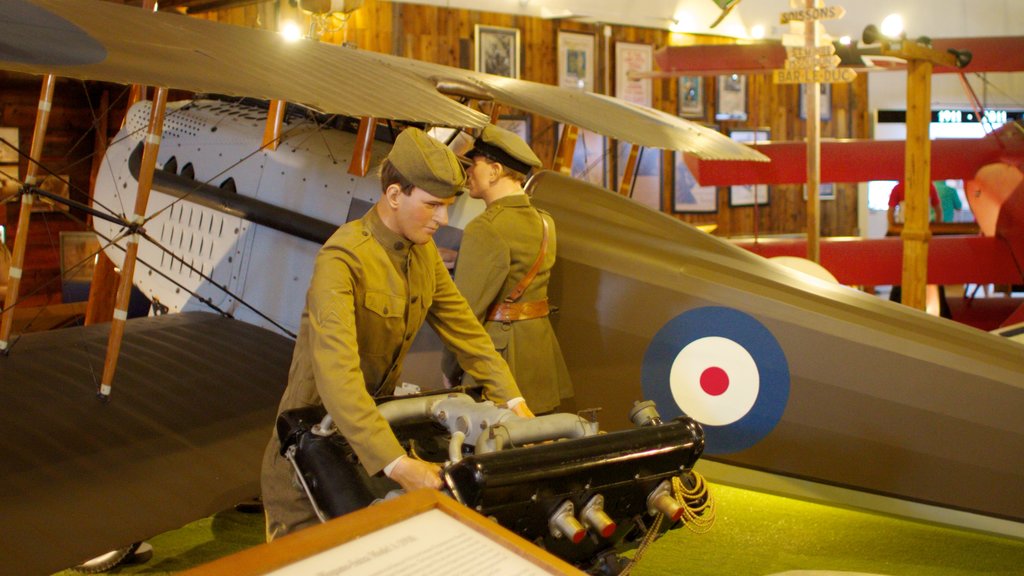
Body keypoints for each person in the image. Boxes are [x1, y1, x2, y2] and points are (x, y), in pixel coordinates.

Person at [260, 127, 534, 541]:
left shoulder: (422, 255)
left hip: (369, 442)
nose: (443, 220)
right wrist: (397, 464)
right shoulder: (343, 258)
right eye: (432, 206)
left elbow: (466, 332)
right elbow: (337, 375)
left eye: (447, 207)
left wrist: (515, 405)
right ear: (393, 195)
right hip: (310, 448)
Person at [441, 124, 573, 414]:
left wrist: (450, 367)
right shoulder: (544, 221)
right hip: (536, 354)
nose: (468, 172)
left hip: (500, 362)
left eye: (474, 164)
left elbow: (464, 314)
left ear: (495, 170)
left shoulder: (485, 228)